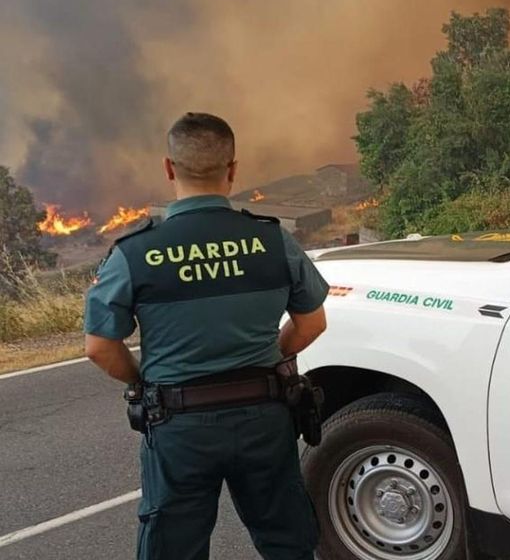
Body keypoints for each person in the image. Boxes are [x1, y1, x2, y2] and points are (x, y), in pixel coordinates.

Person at [84, 112, 328, 560]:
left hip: (179, 427)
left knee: (172, 548)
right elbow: (313, 323)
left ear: (168, 168)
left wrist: (141, 381)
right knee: (288, 543)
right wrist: (271, 358)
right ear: (233, 169)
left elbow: (100, 347)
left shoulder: (134, 252)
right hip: (265, 417)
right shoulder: (273, 241)